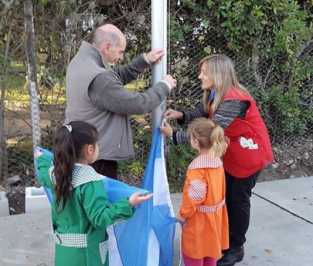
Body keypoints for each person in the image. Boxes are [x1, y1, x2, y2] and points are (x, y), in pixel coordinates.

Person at [161, 54, 273, 266]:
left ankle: (236, 248)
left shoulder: (234, 99)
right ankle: (224, 243)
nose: (200, 75)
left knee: (237, 201)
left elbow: (211, 131)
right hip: (232, 155)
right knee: (226, 199)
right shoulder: (215, 93)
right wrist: (181, 115)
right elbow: (201, 114)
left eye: (204, 72)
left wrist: (174, 135)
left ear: (217, 74)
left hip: (248, 156)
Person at [65, 23, 176, 179]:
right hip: (98, 156)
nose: (121, 57)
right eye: (120, 52)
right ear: (107, 46)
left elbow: (114, 76)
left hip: (82, 149)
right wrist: (164, 86)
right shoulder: (100, 78)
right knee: (103, 201)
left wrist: (145, 60)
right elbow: (138, 104)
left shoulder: (82, 62)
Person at [35, 121, 152, 266]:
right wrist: (128, 204)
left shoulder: (54, 174)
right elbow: (100, 218)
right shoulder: (90, 181)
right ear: (90, 149)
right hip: (87, 257)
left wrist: (41, 157)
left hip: (64, 255)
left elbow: (43, 168)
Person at [175, 118, 229, 266]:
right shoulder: (217, 162)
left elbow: (196, 195)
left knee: (194, 255)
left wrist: (183, 214)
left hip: (199, 223)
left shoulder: (197, 169)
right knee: (211, 253)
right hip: (215, 220)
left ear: (195, 142)